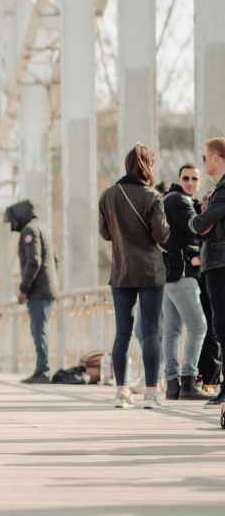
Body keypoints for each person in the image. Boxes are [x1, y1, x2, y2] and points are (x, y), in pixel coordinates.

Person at [99, 144, 170, 409]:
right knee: (151, 331)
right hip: (150, 271)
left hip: (121, 271)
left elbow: (105, 234)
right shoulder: (152, 197)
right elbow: (161, 235)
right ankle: (151, 394)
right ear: (148, 166)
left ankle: (121, 392)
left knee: (122, 333)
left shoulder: (108, 195)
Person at [161, 164, 211, 400]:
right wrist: (194, 253)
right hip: (181, 273)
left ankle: (172, 384)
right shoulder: (180, 201)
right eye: (186, 178)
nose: (190, 182)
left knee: (171, 331)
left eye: (194, 178)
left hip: (167, 274)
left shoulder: (169, 199)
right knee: (198, 326)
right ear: (178, 179)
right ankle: (189, 382)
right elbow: (198, 228)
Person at [4, 200, 58, 384]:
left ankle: (43, 370)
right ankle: (42, 369)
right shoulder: (42, 227)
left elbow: (34, 261)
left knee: (38, 330)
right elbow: (55, 260)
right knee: (40, 329)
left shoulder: (29, 230)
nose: (12, 225)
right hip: (47, 288)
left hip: (38, 291)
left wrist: (23, 288)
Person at [189, 137, 225, 407]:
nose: (204, 161)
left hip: (220, 263)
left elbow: (201, 223)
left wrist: (196, 219)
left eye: (205, 157)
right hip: (216, 261)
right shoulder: (217, 191)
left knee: (221, 327)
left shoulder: (222, 190)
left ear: (215, 156)